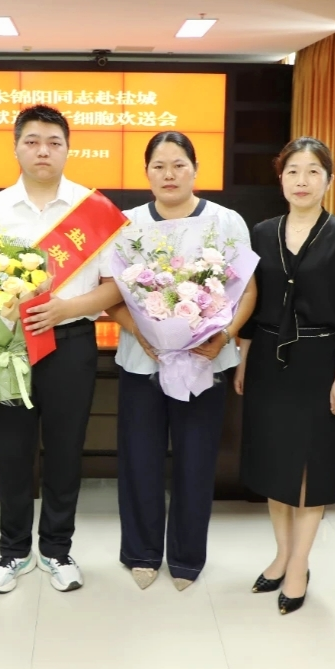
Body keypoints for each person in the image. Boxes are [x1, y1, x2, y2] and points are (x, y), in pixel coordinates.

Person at [0, 105, 122, 594]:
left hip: (71, 342)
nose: (43, 150)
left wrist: (65, 308)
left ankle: (57, 549)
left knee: (65, 451)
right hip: (8, 346)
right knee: (12, 452)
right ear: (16, 147)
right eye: (33, 141)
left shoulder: (92, 210)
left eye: (54, 142)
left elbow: (113, 287)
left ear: (67, 148)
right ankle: (13, 552)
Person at [106, 131, 258, 592]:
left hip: (204, 363)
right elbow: (109, 296)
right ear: (146, 172)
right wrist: (140, 332)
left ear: (195, 169)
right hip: (142, 362)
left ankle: (188, 559)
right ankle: (141, 553)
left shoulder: (226, 221)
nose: (169, 174)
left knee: (196, 461)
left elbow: (247, 290)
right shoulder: (126, 224)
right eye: (159, 166)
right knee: (140, 460)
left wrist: (223, 336)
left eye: (179, 165)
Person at [236, 138, 335, 614]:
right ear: (281, 178)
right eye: (293, 171)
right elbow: (250, 303)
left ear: (328, 180)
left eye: (313, 172)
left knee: (310, 467)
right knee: (275, 465)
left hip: (318, 362)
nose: (302, 181)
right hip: (268, 360)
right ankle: (281, 553)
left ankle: (299, 565)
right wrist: (244, 361)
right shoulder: (262, 232)